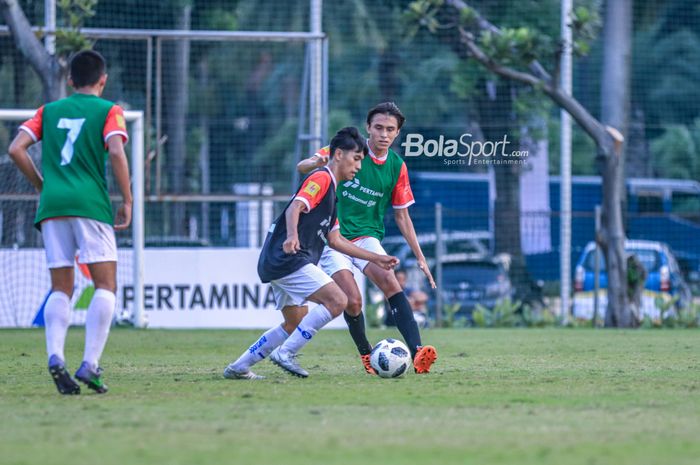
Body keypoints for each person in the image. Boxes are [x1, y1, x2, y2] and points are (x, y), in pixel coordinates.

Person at [223, 127, 398, 380]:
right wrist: (293, 235)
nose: (359, 166)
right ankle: (286, 354)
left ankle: (238, 367)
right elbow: (295, 207)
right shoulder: (321, 179)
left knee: (294, 323)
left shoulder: (333, 195)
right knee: (339, 300)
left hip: (280, 260)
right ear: (339, 154)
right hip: (289, 258)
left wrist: (376, 258)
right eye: (357, 158)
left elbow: (336, 240)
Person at [8, 50, 132, 395]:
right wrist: (128, 199)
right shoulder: (109, 111)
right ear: (103, 80)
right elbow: (117, 152)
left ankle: (55, 356)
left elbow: (16, 148)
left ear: (70, 80)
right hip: (90, 204)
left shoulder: (48, 111)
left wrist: (40, 184)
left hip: (52, 205)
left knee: (61, 287)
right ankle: (90, 364)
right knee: (105, 285)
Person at [296, 102, 437, 375]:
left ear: (397, 133)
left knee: (390, 281)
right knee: (353, 300)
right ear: (368, 128)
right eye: (379, 128)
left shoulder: (397, 166)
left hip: (366, 237)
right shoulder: (348, 152)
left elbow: (402, 217)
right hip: (332, 238)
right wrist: (314, 162)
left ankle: (419, 353)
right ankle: (366, 354)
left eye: (391, 130)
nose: (384, 134)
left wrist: (420, 257)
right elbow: (303, 167)